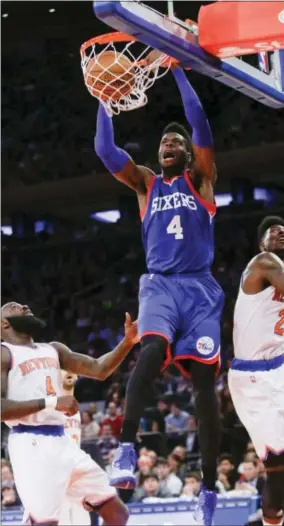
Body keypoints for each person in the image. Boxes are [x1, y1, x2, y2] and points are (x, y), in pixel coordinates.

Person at [95, 65, 224, 525]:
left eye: (177, 143)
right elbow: (105, 149)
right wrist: (103, 100)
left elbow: (201, 123)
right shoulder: (146, 183)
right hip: (161, 284)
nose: (169, 145)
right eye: (164, 142)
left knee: (206, 392)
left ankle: (208, 489)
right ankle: (126, 449)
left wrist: (179, 72)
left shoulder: (202, 180)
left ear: (189, 155)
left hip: (201, 288)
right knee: (150, 350)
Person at [1, 302, 139, 526]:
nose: (25, 306)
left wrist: (127, 342)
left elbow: (98, 369)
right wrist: (52, 402)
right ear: (3, 322)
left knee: (118, 514)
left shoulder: (53, 349)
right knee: (45, 523)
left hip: (62, 442)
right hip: (30, 443)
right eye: (15, 306)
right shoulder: (5, 353)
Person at [228, 216, 284, 526]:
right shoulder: (263, 263)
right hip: (252, 378)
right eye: (272, 232)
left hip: (280, 367)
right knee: (277, 465)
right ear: (261, 243)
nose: (280, 233)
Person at [59, 371, 91, 526]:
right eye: (64, 370)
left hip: (76, 468)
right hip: (57, 469)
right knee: (61, 516)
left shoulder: (77, 410)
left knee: (81, 516)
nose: (69, 373)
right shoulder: (53, 405)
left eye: (72, 370)